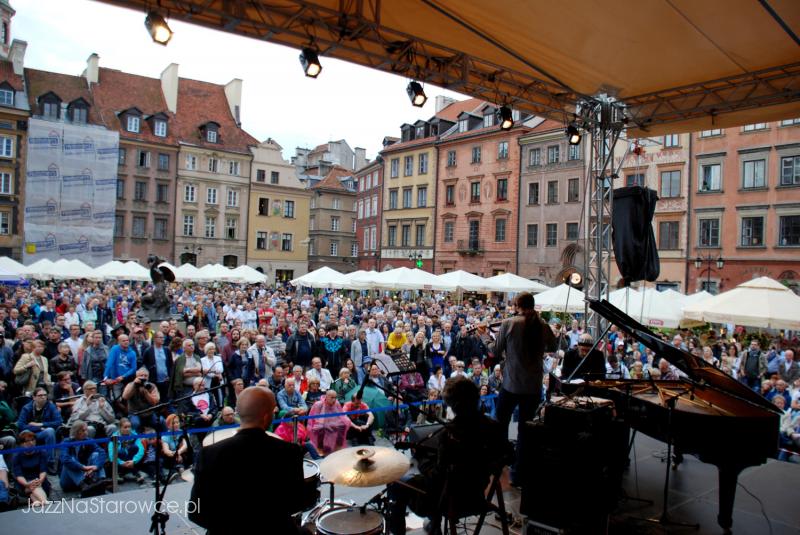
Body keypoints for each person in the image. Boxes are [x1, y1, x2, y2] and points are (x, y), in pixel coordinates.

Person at [387, 377, 511, 534]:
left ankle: (401, 530)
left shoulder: (450, 435)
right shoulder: (494, 427)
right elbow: (507, 454)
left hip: (451, 501)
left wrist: (422, 462)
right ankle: (434, 525)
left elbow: (436, 478)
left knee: (397, 482)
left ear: (455, 405)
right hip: (477, 494)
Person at [190, 387, 306, 534]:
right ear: (265, 417)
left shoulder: (208, 454)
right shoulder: (289, 452)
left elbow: (196, 513)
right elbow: (297, 503)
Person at [490, 292, 556, 487]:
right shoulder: (542, 325)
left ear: (517, 304)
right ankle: (518, 474)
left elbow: (495, 350)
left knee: (500, 423)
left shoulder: (509, 323)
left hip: (511, 384)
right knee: (525, 430)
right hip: (533, 386)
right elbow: (553, 345)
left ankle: (504, 459)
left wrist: (486, 339)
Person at [17, 387, 61, 473]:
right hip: (29, 433)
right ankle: (26, 465)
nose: (43, 397)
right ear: (34, 397)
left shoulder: (51, 406)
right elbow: (21, 425)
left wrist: (41, 424)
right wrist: (38, 428)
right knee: (25, 434)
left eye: (45, 395)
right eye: (40, 395)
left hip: (43, 432)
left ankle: (49, 463)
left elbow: (58, 422)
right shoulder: (26, 408)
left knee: (50, 431)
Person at [60, 421, 108, 493]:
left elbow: (102, 452)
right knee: (70, 460)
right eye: (83, 430)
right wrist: (83, 467)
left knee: (96, 455)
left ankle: (102, 480)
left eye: (86, 430)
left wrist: (96, 467)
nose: (86, 432)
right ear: (76, 431)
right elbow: (65, 459)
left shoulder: (88, 440)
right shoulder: (66, 442)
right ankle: (83, 485)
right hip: (68, 480)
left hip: (86, 475)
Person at [307, 390, 351, 455]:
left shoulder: (336, 403)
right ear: (326, 397)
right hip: (318, 424)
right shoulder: (318, 404)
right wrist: (328, 424)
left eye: (335, 397)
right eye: (332, 397)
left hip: (333, 422)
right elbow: (315, 419)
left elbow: (341, 415)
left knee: (343, 425)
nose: (334, 399)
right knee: (321, 428)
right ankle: (320, 448)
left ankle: (338, 446)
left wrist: (347, 421)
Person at [12, 430, 50, 505]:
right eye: (27, 441)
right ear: (21, 444)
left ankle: (37, 501)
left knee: (35, 490)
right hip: (24, 484)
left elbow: (43, 470)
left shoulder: (42, 452)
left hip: (39, 481)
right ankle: (45, 502)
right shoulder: (17, 456)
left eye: (33, 440)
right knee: (34, 487)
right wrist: (27, 484)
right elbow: (19, 475)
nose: (31, 443)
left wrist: (40, 480)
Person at [108, 417, 146, 484]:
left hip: (131, 461)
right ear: (120, 428)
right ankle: (120, 473)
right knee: (120, 451)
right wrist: (122, 463)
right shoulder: (114, 438)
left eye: (129, 427)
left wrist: (134, 461)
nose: (128, 429)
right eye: (125, 427)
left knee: (134, 448)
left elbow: (141, 450)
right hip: (120, 462)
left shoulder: (134, 435)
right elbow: (111, 455)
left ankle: (134, 472)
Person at [142, 331, 173, 402]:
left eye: (163, 337)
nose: (163, 339)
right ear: (155, 339)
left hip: (165, 380)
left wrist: (170, 376)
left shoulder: (167, 350)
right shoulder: (148, 351)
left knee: (165, 399)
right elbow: (144, 364)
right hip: (154, 381)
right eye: (160, 337)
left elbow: (170, 364)